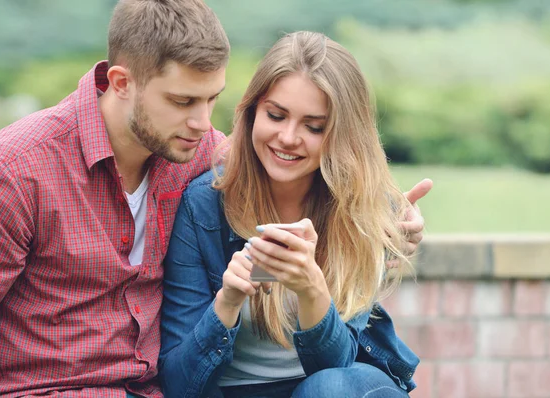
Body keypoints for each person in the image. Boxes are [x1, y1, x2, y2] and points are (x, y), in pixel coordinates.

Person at [0, 1, 429, 397]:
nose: (201, 123)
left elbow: (303, 161)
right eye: (182, 101)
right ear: (121, 83)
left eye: (212, 100)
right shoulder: (16, 172)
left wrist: (391, 221)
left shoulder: (190, 152)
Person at [159, 31, 428, 398]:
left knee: (328, 388)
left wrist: (310, 288)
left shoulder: (361, 209)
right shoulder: (205, 205)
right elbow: (177, 383)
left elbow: (336, 369)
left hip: (338, 387)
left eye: (313, 126)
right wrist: (226, 304)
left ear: (342, 134)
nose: (287, 137)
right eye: (275, 115)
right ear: (253, 111)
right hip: (236, 390)